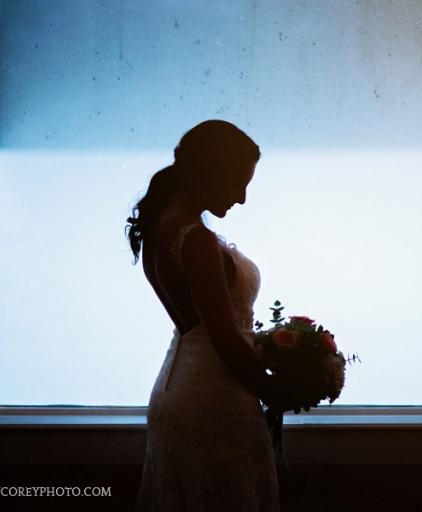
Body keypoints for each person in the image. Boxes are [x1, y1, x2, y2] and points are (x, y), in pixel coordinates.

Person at [128, 120, 292, 511]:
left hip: (179, 391)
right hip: (214, 401)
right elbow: (223, 338)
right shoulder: (195, 240)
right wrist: (278, 392)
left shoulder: (160, 227)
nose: (242, 197)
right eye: (238, 182)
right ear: (210, 172)